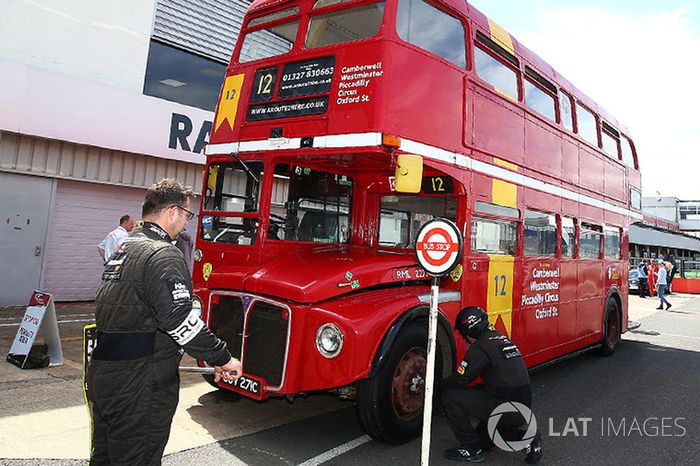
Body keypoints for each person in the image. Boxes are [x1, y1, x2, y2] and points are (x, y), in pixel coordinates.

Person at [87, 179, 242, 465]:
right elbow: (180, 318)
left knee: (105, 458)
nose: (186, 222)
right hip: (140, 382)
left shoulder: (125, 247)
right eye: (187, 215)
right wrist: (222, 357)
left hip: (103, 376)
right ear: (172, 211)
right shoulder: (162, 253)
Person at [439, 307, 542, 464]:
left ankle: (470, 448)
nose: (465, 338)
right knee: (476, 394)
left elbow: (460, 380)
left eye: (463, 333)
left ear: (470, 330)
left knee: (450, 397)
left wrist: (437, 385)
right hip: (521, 406)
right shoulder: (501, 339)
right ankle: (523, 439)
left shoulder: (480, 347)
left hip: (506, 408)